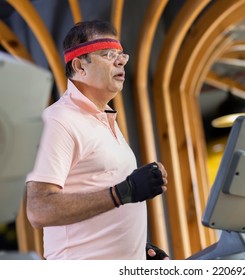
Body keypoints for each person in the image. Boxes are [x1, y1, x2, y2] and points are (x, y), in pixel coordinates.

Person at [25, 20, 169, 260]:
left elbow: (100, 196)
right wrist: (123, 192)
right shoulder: (58, 120)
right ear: (80, 66)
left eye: (122, 55)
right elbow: (39, 210)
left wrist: (136, 250)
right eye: (108, 54)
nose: (120, 60)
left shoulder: (104, 120)